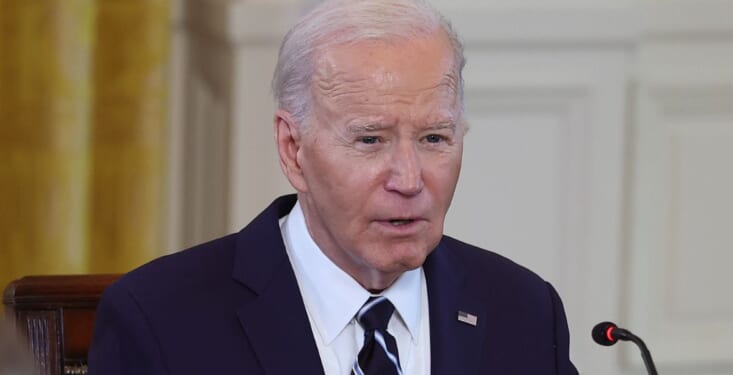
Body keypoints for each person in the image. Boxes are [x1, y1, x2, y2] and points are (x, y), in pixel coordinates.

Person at [88, 0, 578, 374]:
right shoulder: (159, 322)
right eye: (370, 139)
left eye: (434, 138)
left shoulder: (526, 312)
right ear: (292, 148)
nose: (409, 180)